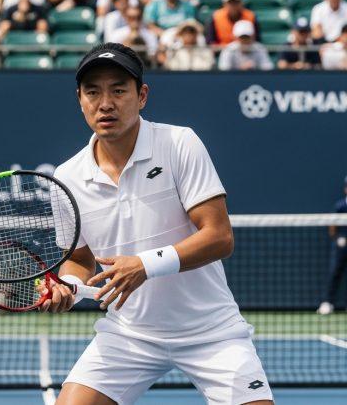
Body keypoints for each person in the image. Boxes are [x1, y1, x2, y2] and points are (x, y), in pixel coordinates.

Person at [43, 42, 274, 405]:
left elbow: (219, 236)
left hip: (211, 331)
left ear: (142, 95)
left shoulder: (180, 144)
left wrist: (146, 265)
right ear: (80, 99)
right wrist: (68, 286)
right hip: (128, 335)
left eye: (119, 90)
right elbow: (80, 260)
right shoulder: (66, 177)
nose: (106, 103)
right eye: (93, 92)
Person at [318, 176, 347, 315]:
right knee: (335, 272)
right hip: (341, 246)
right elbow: (332, 226)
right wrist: (337, 239)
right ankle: (327, 303)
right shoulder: (340, 206)